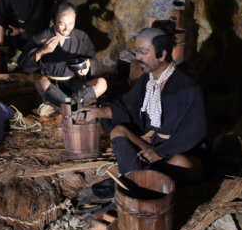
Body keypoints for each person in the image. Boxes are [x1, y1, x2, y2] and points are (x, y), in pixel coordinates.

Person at [76, 21, 207, 183]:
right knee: (118, 131)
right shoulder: (148, 80)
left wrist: (160, 153)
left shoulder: (187, 86)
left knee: (181, 163)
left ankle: (138, 177)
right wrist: (97, 112)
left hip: (179, 150)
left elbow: (195, 131)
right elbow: (127, 107)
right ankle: (143, 178)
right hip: (153, 148)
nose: (138, 58)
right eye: (137, 52)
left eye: (144, 52)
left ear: (162, 54)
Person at [30, 1, 107, 115]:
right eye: (62, 24)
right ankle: (73, 107)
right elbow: (25, 64)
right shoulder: (41, 37)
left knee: (102, 83)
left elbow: (93, 60)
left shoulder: (81, 37)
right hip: (51, 85)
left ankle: (64, 107)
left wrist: (88, 64)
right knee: (39, 81)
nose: (67, 28)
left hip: (73, 84)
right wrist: (42, 51)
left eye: (71, 23)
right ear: (54, 20)